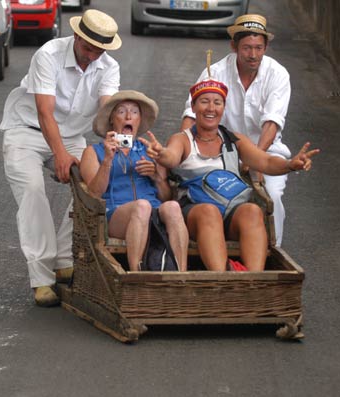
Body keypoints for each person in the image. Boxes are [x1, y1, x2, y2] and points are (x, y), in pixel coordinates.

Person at [0, 9, 121, 306]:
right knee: (32, 191)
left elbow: (107, 109)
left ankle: (65, 257)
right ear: (77, 36)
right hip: (26, 131)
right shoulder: (48, 54)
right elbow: (44, 111)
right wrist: (60, 154)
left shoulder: (109, 66)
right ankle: (41, 278)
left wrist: (114, 135)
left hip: (72, 136)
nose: (91, 56)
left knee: (95, 186)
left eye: (99, 50)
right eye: (88, 48)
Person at [141, 79, 318, 272]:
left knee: (252, 211)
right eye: (204, 101)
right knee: (209, 212)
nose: (211, 108)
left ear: (223, 108)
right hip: (195, 212)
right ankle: (224, 278)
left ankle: (252, 281)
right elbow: (171, 157)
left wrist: (290, 164)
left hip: (230, 209)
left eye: (217, 103)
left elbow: (265, 162)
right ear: (193, 106)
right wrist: (161, 153)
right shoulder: (182, 139)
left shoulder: (234, 140)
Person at [180, 14, 291, 247]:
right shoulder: (215, 71)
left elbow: (272, 122)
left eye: (259, 48)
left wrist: (254, 160)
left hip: (266, 149)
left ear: (266, 47)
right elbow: (193, 114)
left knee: (272, 194)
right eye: (247, 48)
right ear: (234, 46)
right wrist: (184, 152)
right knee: (198, 191)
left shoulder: (278, 74)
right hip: (221, 149)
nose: (253, 55)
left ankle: (274, 249)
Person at [80, 90, 189, 272]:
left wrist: (157, 176)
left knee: (172, 207)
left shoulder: (149, 150)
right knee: (142, 206)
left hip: (153, 213)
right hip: (116, 215)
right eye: (121, 112)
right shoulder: (94, 151)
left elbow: (166, 196)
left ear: (139, 121)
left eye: (135, 112)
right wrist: (107, 160)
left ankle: (181, 274)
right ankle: (136, 274)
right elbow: (93, 194)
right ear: (112, 120)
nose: (129, 116)